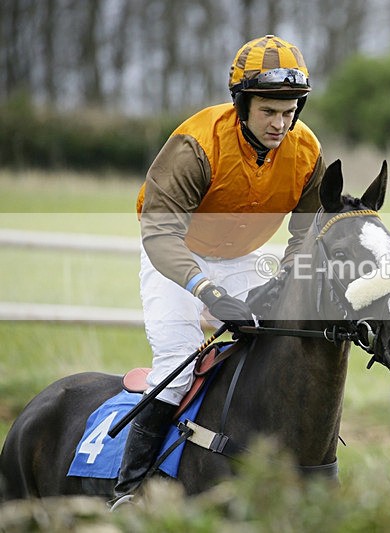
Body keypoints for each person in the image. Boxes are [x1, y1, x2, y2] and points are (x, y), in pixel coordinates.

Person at [111, 34, 325, 506]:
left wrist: (284, 282)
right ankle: (130, 488)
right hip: (175, 258)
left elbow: (306, 234)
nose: (280, 123)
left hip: (242, 260)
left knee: (277, 347)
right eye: (268, 111)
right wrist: (207, 291)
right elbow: (159, 236)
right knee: (178, 364)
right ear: (242, 104)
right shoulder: (196, 145)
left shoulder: (307, 151)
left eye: (289, 111)